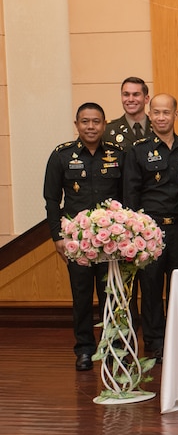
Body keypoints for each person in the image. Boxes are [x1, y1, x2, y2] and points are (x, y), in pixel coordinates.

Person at [44, 102, 125, 370]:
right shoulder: (61, 155)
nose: (91, 127)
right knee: (81, 297)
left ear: (104, 124)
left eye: (96, 122)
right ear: (76, 124)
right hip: (76, 242)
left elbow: (127, 198)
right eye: (85, 122)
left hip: (111, 241)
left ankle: (112, 346)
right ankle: (84, 349)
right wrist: (57, 237)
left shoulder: (118, 154)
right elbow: (52, 199)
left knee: (110, 295)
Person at [122, 94, 178, 361]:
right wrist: (135, 233)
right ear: (150, 114)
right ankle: (155, 340)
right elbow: (131, 195)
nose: (162, 117)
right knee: (150, 288)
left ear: (176, 114)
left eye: (167, 112)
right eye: (157, 112)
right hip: (149, 232)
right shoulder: (138, 150)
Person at [104, 77, 149, 150]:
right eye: (126, 94)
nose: (130, 99)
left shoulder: (157, 128)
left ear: (146, 99)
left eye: (136, 94)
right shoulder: (108, 130)